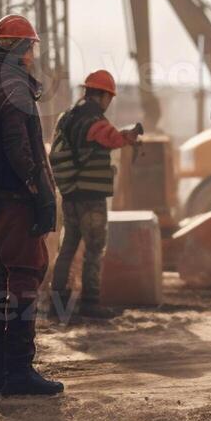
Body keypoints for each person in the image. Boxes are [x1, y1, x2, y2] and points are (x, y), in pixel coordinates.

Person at [0, 14, 63, 396]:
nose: (33, 56)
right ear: (22, 49)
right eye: (31, 48)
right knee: (25, 275)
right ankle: (19, 372)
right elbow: (19, 149)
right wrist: (39, 192)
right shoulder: (12, 88)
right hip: (14, 201)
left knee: (3, 279)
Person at [49, 69, 141, 319]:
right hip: (90, 197)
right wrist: (129, 136)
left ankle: (57, 307)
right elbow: (111, 138)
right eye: (109, 97)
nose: (109, 103)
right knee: (94, 249)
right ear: (101, 95)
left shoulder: (66, 117)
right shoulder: (93, 120)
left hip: (68, 194)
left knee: (67, 248)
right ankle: (90, 304)